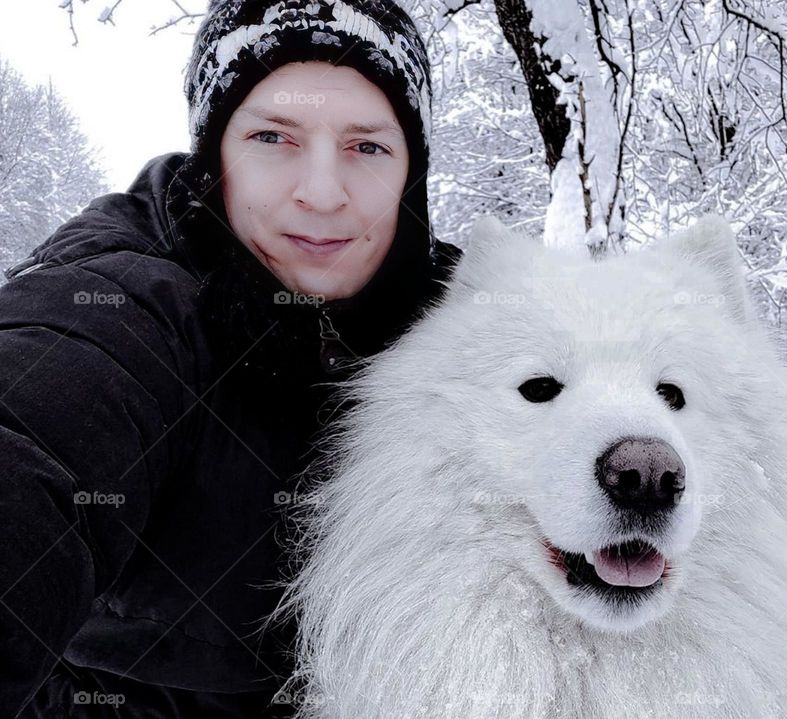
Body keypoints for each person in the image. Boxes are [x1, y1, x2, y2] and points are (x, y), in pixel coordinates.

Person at [0, 1, 461, 716]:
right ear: (214, 156)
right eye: (272, 136)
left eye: (367, 147)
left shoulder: (474, 332)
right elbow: (32, 435)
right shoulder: (125, 304)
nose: (320, 192)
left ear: (412, 174)